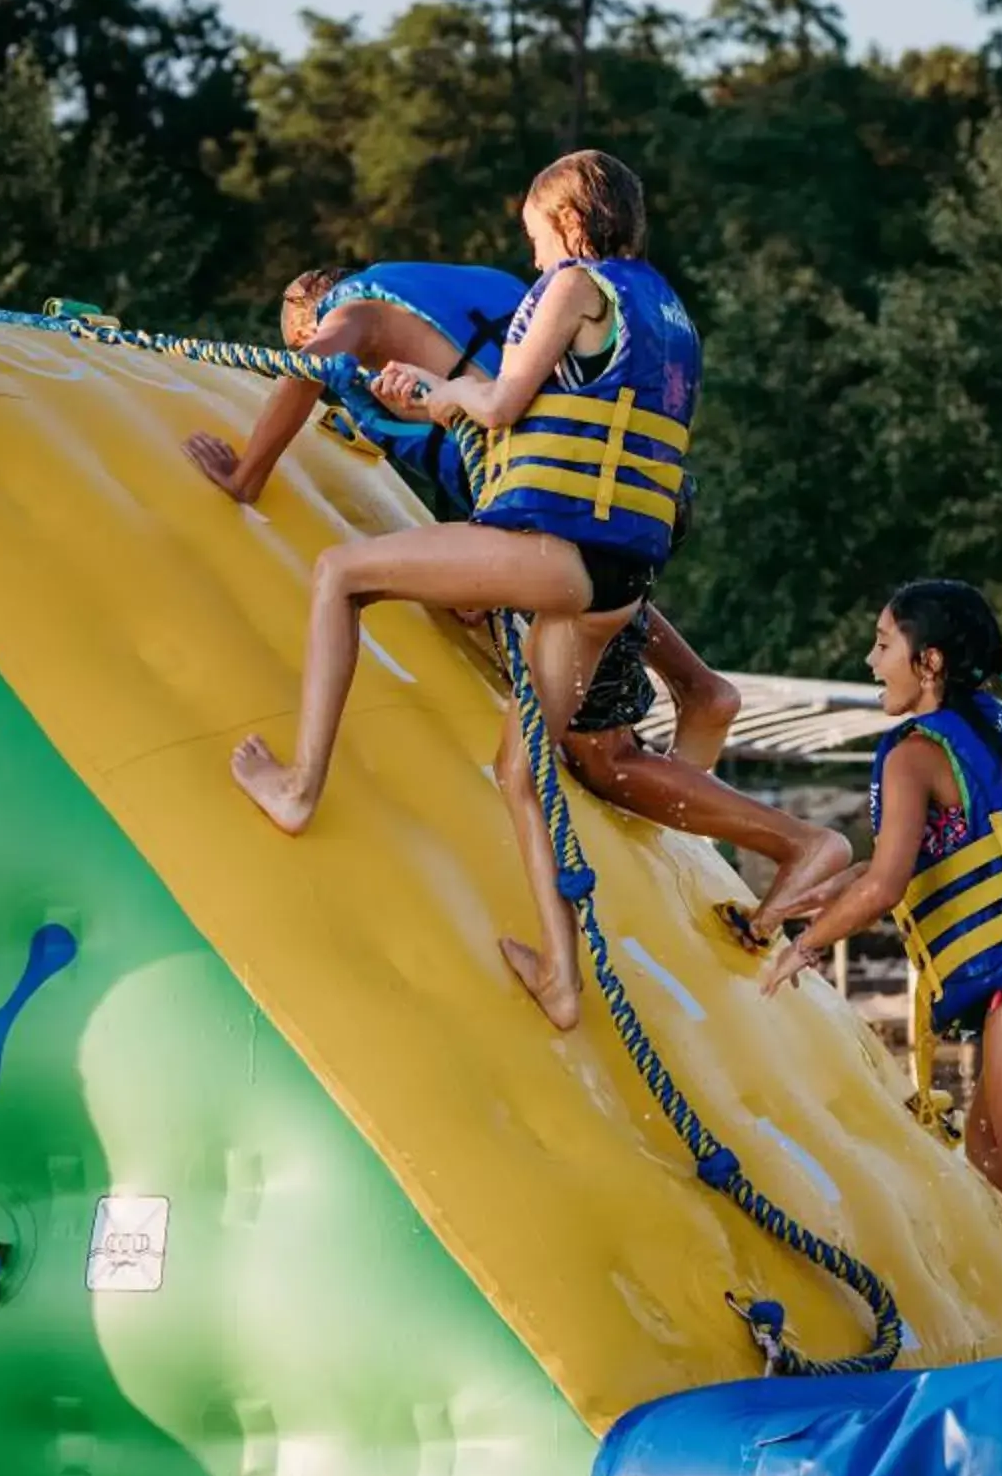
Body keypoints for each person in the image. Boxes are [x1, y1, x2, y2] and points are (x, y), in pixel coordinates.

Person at [229, 149, 700, 1032]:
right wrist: (443, 391)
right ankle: (563, 980)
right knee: (520, 773)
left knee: (341, 575)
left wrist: (435, 390)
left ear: (568, 224)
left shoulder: (575, 287)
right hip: (619, 583)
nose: (531, 262)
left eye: (534, 239)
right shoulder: (669, 311)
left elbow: (497, 406)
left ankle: (298, 788)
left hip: (560, 552)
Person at [757, 579, 1002, 1355]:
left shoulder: (912, 752)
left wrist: (800, 952)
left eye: (883, 644)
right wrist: (809, 904)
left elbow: (886, 885)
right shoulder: (994, 723)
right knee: (996, 1158)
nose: (872, 661)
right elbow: (921, 860)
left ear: (927, 660)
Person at [557, 481, 851, 934]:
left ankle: (799, 842)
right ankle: (700, 695)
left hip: (587, 497)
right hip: (641, 487)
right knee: (615, 587)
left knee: (605, 757)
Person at [182, 261, 526, 517]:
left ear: (306, 331)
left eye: (297, 343)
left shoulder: (355, 313)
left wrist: (244, 480)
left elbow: (307, 369)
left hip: (530, 473)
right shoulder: (464, 285)